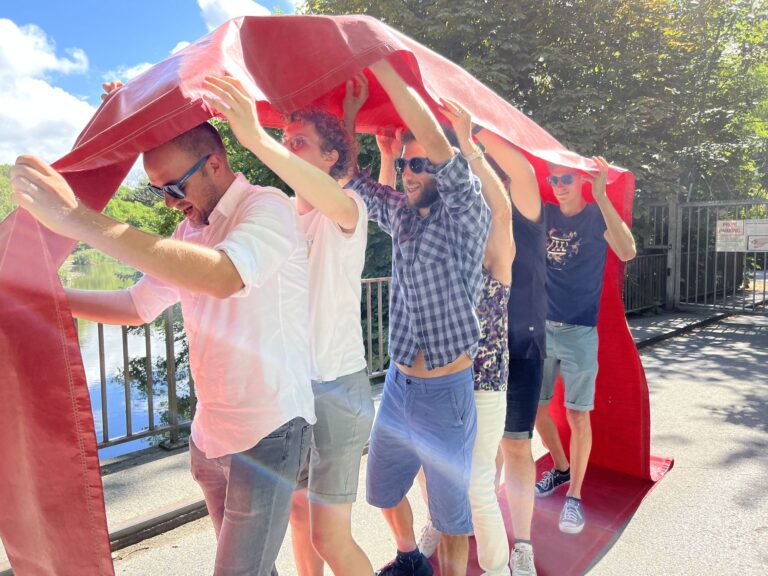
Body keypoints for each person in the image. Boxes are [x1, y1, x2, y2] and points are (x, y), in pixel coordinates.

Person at [10, 120, 316, 576]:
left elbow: (224, 274)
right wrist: (42, 296)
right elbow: (137, 305)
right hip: (210, 435)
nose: (170, 202)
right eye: (159, 191)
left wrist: (78, 218)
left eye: (175, 186)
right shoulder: (188, 233)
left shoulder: (267, 206)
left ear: (215, 164)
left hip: (268, 431)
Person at [202, 75, 375, 576]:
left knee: (330, 537)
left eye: (299, 143)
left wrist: (257, 138)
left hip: (337, 387)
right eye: (285, 140)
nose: (286, 147)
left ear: (330, 159)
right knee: (299, 518)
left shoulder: (349, 210)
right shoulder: (278, 214)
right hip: (291, 392)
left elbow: (334, 185)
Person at [344, 58, 491, 576]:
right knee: (382, 492)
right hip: (398, 387)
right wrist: (351, 115)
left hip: (446, 394)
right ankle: (410, 558)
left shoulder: (467, 219)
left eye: (418, 164)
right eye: (405, 165)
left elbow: (445, 156)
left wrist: (383, 65)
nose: (408, 173)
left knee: (451, 520)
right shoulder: (403, 216)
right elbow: (351, 180)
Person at [375, 99, 516, 576]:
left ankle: (498, 567)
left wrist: (468, 147)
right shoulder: (433, 238)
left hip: (482, 382)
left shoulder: (494, 251)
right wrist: (390, 160)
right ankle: (435, 530)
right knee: (435, 478)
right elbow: (395, 215)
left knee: (475, 486)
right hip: (433, 383)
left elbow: (500, 211)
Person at [534, 157, 637, 534]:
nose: (559, 185)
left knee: (578, 415)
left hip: (579, 331)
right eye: (554, 179)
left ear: (580, 182)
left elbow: (627, 251)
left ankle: (574, 497)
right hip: (542, 329)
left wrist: (602, 196)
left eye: (566, 178)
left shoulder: (595, 217)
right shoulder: (545, 213)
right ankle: (561, 469)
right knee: (535, 408)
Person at [474, 127, 546, 576]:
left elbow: (523, 172)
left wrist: (474, 129)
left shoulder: (525, 214)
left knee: (515, 446)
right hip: (474, 351)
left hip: (520, 346)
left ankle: (522, 545)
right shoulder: (467, 216)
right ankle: (468, 523)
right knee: (479, 452)